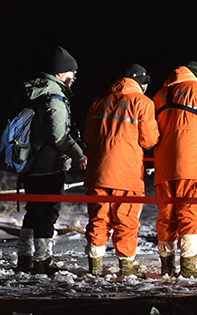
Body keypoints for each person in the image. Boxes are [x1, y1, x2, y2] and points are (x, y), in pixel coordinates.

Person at [17, 46, 88, 275]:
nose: (74, 77)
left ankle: (24, 257)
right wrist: (78, 154)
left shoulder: (36, 93)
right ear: (59, 73)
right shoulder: (55, 99)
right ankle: (42, 260)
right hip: (48, 166)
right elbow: (59, 137)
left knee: (33, 212)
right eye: (71, 72)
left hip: (31, 163)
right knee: (47, 214)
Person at [83, 64, 159, 277]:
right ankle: (126, 269)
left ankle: (94, 268)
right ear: (142, 83)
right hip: (127, 174)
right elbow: (149, 140)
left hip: (98, 172)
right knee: (126, 221)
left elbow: (88, 136)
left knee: (98, 220)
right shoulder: (143, 102)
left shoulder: (99, 101)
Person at [153, 61, 197, 278]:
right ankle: (188, 267)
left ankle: (167, 267)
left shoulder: (159, 95)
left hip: (163, 166)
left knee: (166, 215)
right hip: (191, 163)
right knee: (191, 212)